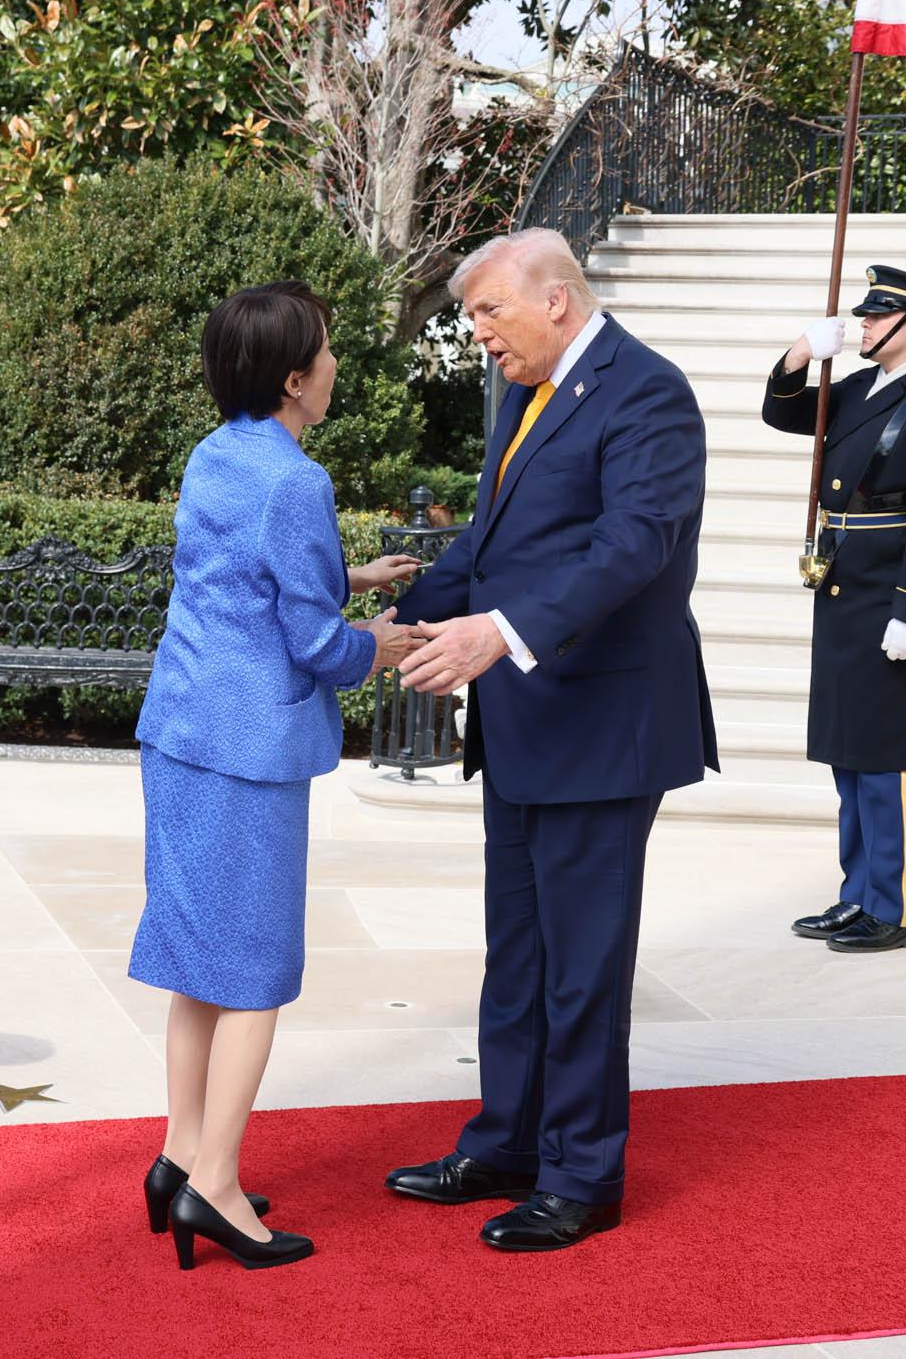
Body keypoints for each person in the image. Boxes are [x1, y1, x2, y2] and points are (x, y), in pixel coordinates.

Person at [383, 227, 713, 1254]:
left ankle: (580, 1176)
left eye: (489, 311)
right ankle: (506, 1143)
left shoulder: (647, 392)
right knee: (518, 953)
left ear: (556, 299)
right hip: (527, 722)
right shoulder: (524, 395)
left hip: (604, 725)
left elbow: (631, 547)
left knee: (582, 967)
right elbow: (488, 548)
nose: (478, 333)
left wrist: (501, 632)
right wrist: (397, 619)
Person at [131, 281, 425, 1272]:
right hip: (246, 755)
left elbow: (240, 574)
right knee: (255, 973)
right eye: (327, 353)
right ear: (295, 380)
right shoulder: (296, 481)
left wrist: (349, 580)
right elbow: (312, 646)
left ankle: (179, 1157)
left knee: (195, 963)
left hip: (180, 733)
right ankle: (214, 1186)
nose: (335, 365)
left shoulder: (213, 454)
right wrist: (378, 644)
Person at [763, 266, 906, 954]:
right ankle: (858, 894)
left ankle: (894, 908)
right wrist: (801, 354)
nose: (862, 325)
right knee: (852, 756)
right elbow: (785, 413)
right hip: (846, 593)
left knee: (891, 760)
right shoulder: (864, 387)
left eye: (875, 316)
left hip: (894, 598)